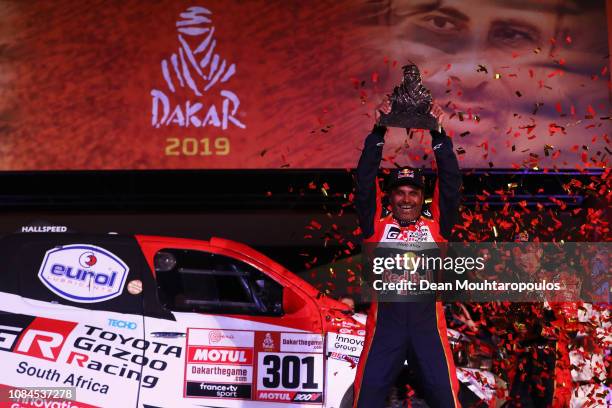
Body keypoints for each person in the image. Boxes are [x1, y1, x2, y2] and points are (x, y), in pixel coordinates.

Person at [353, 97, 462, 407]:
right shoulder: (376, 226)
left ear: (422, 198)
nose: (405, 199)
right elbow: (363, 184)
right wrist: (377, 132)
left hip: (428, 330)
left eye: (413, 193)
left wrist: (440, 136)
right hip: (385, 330)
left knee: (447, 400)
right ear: (389, 197)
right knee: (366, 399)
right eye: (399, 192)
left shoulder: (437, 226)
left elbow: (451, 184)